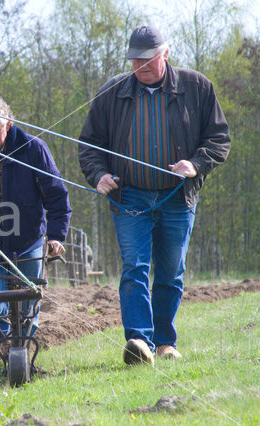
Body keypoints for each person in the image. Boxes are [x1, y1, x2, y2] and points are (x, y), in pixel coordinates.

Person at [78, 25, 231, 365]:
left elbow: (219, 139)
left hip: (177, 197)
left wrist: (195, 164)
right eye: (135, 61)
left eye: (148, 60)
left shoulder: (196, 87)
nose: (140, 67)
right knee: (134, 267)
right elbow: (89, 146)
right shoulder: (112, 92)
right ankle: (139, 342)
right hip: (129, 197)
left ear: (166, 54)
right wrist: (98, 174)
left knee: (171, 272)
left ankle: (165, 342)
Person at [0, 94, 71, 348]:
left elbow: (56, 195)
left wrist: (57, 236)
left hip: (28, 238)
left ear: (9, 124)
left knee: (29, 299)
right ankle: (1, 347)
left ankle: (22, 347)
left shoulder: (33, 149)